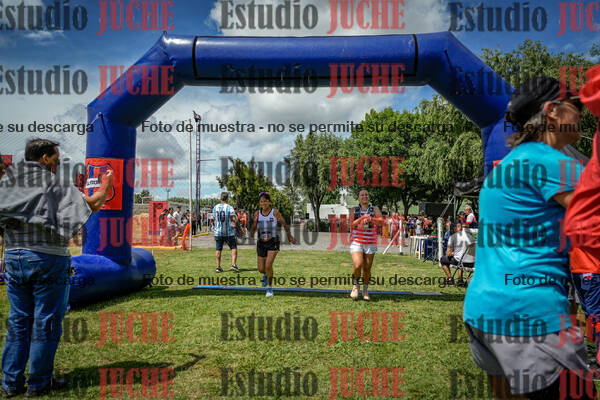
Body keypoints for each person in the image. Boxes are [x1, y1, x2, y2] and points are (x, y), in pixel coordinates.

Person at [463, 77, 593, 399]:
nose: (581, 113)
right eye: (575, 105)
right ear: (552, 111)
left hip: (483, 313)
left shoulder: (505, 167)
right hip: (532, 316)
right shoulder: (552, 161)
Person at [0, 139, 113, 397]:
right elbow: (93, 204)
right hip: (47, 258)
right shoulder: (54, 183)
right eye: (56, 159)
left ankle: (10, 383)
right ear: (44, 158)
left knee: (19, 320)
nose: (57, 164)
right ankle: (39, 383)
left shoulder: (7, 183)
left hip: (13, 257)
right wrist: (106, 185)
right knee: (46, 321)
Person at [250, 192, 295, 297]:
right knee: (261, 269)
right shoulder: (257, 213)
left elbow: (284, 223)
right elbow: (254, 226)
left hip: (273, 241)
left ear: (269, 202)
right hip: (261, 242)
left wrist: (289, 235)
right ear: (259, 203)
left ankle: (269, 288)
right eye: (261, 201)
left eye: (265, 201)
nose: (263, 203)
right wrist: (251, 233)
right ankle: (266, 274)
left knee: (268, 265)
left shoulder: (274, 212)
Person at [348, 189, 384, 301]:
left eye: (366, 194)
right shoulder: (354, 209)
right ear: (358, 197)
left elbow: (381, 221)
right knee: (358, 265)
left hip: (370, 242)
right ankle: (355, 286)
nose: (365, 196)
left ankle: (365, 290)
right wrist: (362, 218)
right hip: (357, 241)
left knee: (367, 268)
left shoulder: (375, 209)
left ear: (369, 197)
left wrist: (371, 219)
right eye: (362, 195)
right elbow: (350, 224)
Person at [213, 192, 244, 273]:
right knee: (233, 248)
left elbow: (214, 219)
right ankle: (233, 264)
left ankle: (218, 267)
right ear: (227, 199)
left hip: (218, 232)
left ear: (220, 199)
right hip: (228, 232)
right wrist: (239, 229)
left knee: (218, 249)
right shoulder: (229, 207)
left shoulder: (215, 207)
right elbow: (234, 219)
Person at [439, 222, 474, 286]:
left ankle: (450, 280)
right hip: (472, 263)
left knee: (443, 259)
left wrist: (454, 253)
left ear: (454, 229)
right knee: (461, 258)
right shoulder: (471, 237)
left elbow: (448, 254)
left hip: (461, 262)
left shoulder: (453, 237)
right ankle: (460, 280)